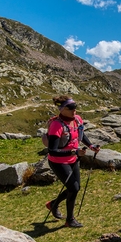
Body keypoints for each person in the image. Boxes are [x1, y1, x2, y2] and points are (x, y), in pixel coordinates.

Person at [45, 95, 100, 228]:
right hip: (58, 161)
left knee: (75, 188)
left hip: (73, 159)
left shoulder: (77, 119)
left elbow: (81, 134)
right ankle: (70, 219)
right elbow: (52, 150)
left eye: (75, 107)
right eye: (70, 108)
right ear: (62, 109)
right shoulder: (56, 125)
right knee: (73, 188)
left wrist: (91, 146)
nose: (74, 110)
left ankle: (53, 204)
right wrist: (74, 152)